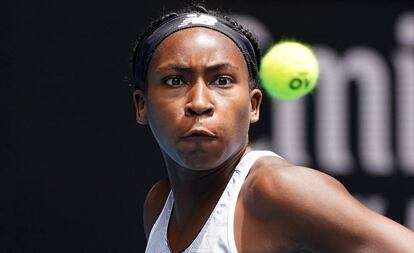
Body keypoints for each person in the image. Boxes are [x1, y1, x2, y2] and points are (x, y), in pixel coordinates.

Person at [130, 4, 414, 253]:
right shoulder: (159, 206)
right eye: (175, 81)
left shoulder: (278, 191)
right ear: (142, 106)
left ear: (253, 105)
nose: (200, 103)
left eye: (222, 81)